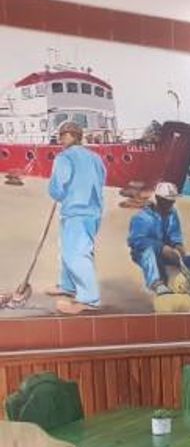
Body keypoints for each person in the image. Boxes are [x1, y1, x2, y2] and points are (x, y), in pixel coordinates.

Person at [46, 121, 106, 315]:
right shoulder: (95, 157)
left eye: (62, 135)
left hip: (75, 210)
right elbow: (102, 178)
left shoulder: (64, 157)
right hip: (93, 211)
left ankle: (89, 300)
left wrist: (58, 194)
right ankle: (68, 286)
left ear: (71, 136)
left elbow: (57, 187)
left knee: (76, 253)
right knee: (71, 249)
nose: (60, 140)